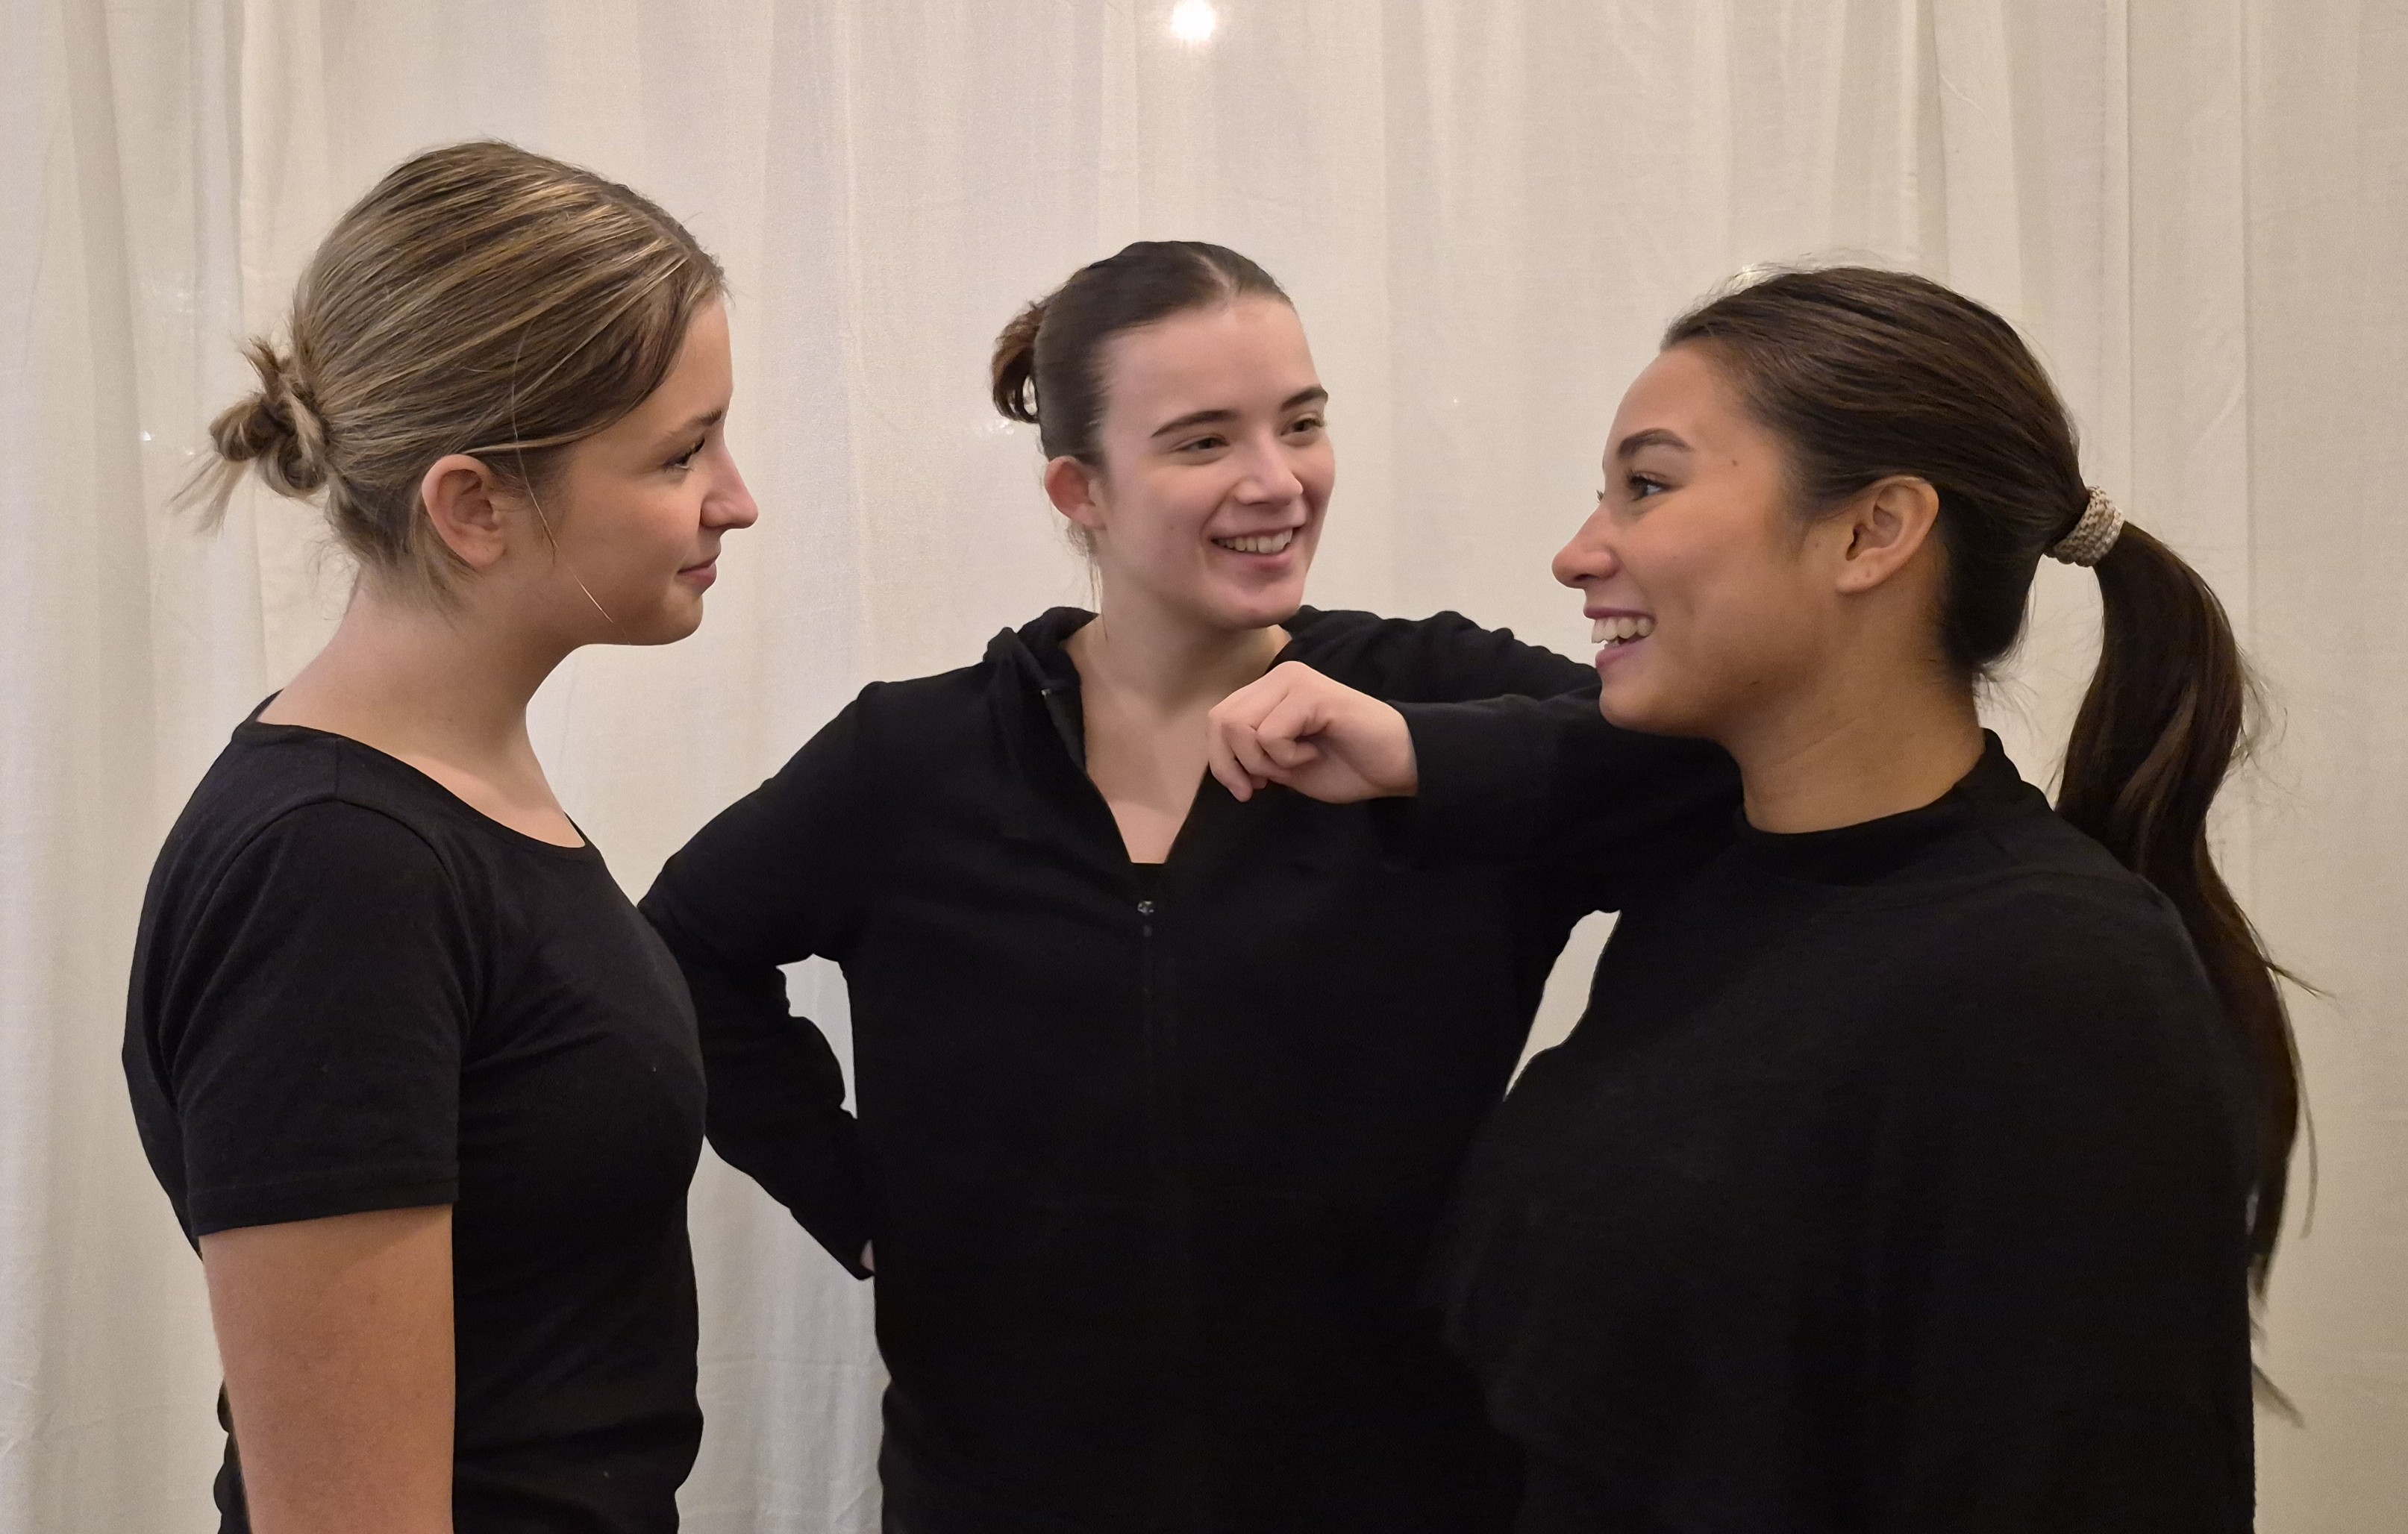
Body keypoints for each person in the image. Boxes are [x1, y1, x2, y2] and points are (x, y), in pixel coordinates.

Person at [639, 240, 1736, 1532]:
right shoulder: (916, 758)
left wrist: (1414, 755)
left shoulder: (1437, 698)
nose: (1277, 480)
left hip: (1406, 1491)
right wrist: (861, 1205)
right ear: (1081, 488)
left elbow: (1722, 777)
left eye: (1302, 423)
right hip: (1002, 1496)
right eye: (1204, 441)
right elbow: (678, 951)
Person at [1206, 266, 2297, 1530]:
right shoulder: (1721, 876)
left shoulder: (2054, 984)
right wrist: (1416, 752)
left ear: (1872, 532)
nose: (1578, 554)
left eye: (1648, 486)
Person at [124, 141, 757, 1533]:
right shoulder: (333, 871)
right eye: (680, 454)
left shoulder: (457, 797)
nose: (736, 497)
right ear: (474, 506)